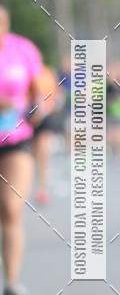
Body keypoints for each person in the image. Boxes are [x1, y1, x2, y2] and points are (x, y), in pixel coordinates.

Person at [0, 5, 44, 295]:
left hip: (15, 139)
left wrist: (38, 105)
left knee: (10, 208)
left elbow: (39, 88)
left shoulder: (21, 49)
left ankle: (12, 283)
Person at [31, 64, 63, 204]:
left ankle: (42, 188)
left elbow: (57, 93)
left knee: (44, 150)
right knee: (32, 152)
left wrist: (54, 105)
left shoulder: (48, 73)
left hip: (46, 116)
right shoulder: (25, 70)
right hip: (26, 117)